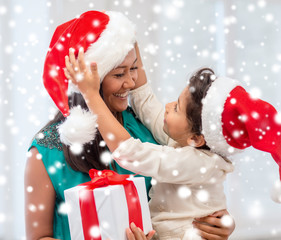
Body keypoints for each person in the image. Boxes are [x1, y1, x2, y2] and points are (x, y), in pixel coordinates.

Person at [25, 10, 236, 240]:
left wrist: (217, 221)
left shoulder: (145, 128)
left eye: (133, 68)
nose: (131, 82)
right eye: (118, 74)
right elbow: (38, 236)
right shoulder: (45, 151)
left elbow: (191, 186)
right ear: (87, 82)